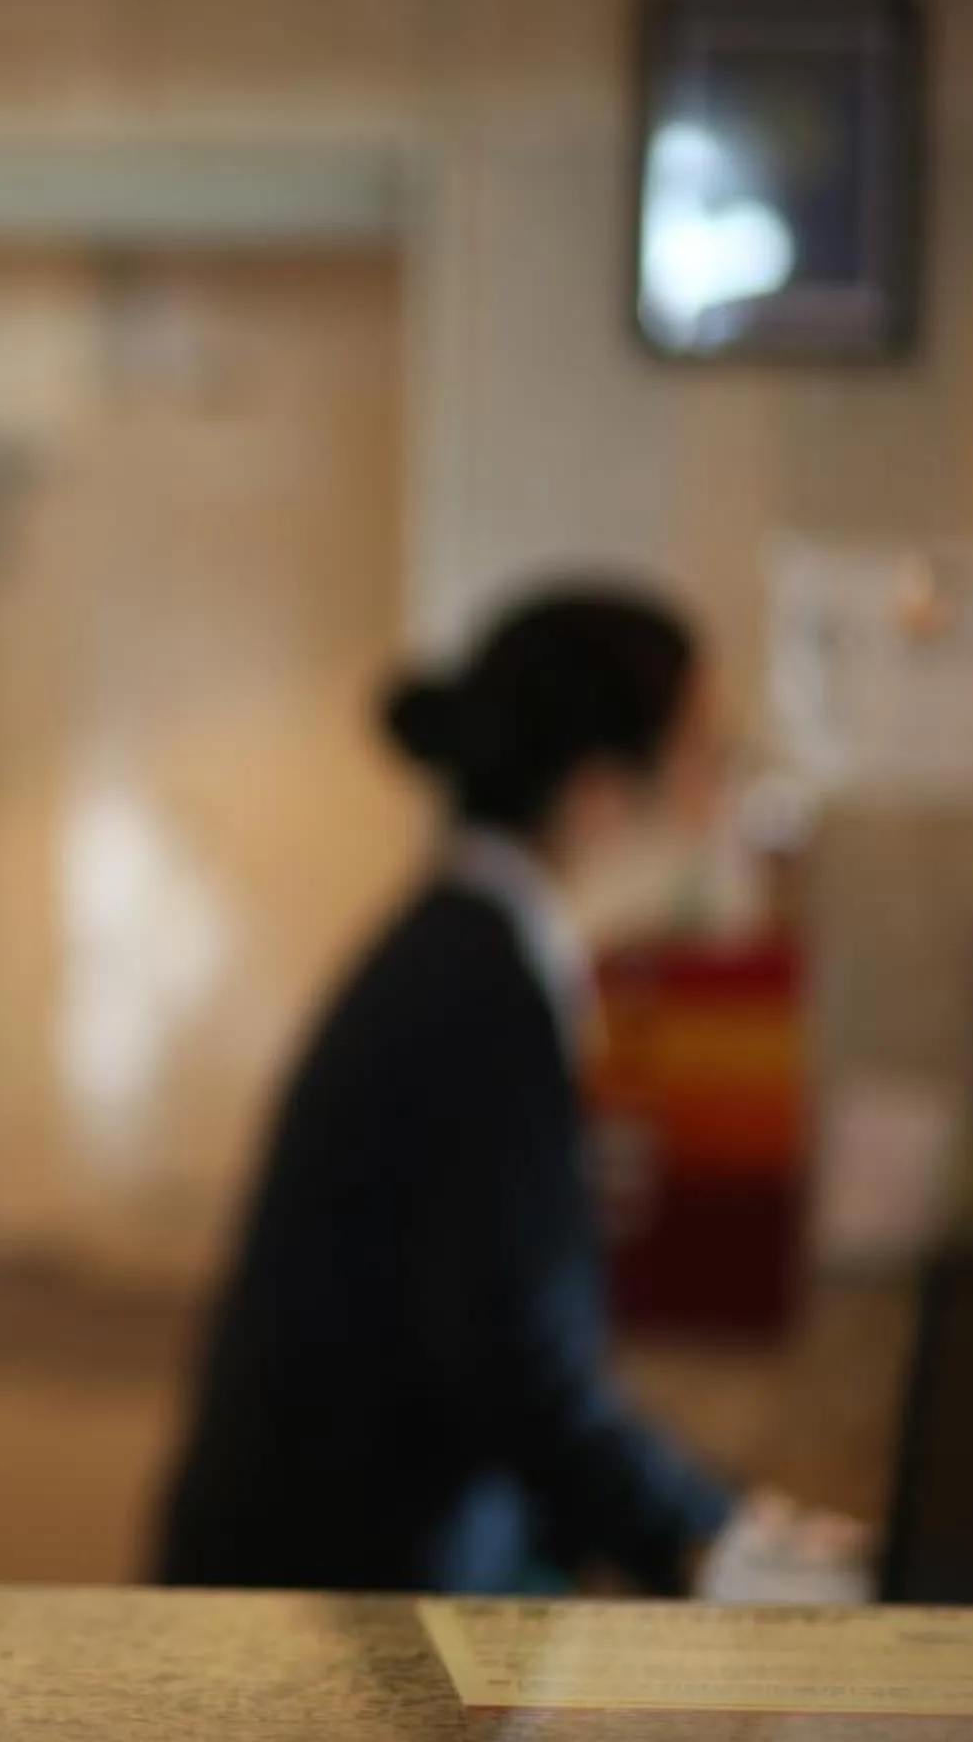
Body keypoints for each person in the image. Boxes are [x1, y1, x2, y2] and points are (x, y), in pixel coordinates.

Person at [157, 584, 742, 1596]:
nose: (722, 804)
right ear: (599, 791)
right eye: (706, 760)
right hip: (324, 1606)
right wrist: (729, 1541)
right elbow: (517, 1361)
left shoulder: (472, 947)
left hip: (322, 1576)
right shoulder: (480, 987)